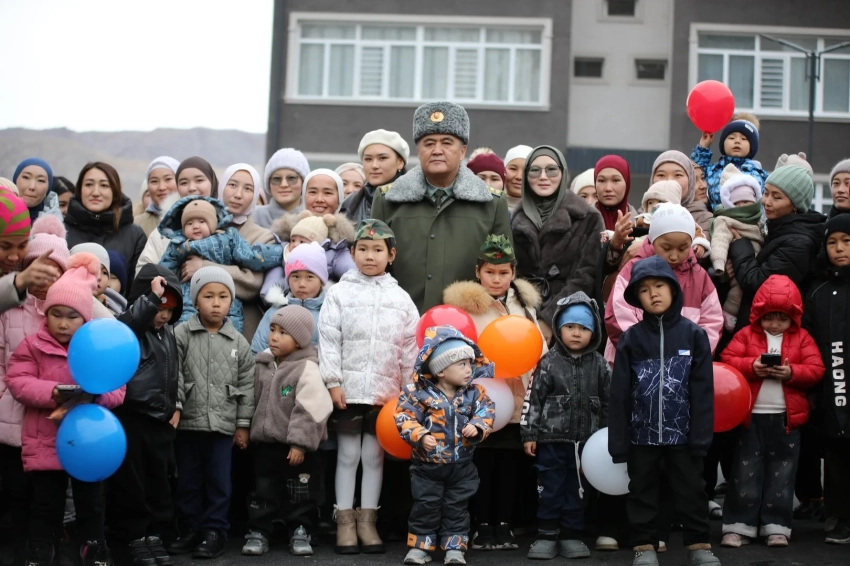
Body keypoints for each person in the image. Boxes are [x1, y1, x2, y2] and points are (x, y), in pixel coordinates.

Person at [6, 253, 126, 566]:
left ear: (85, 317)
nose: (62, 323)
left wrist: (96, 397)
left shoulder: (97, 346)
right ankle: (41, 551)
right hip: (45, 438)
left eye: (72, 316)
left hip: (90, 441)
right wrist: (53, 393)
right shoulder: (32, 345)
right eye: (55, 314)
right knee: (45, 504)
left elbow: (118, 387)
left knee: (91, 503)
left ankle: (94, 548)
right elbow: (18, 381)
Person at [0, 216, 100, 564]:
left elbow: (111, 373)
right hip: (17, 418)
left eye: (53, 271)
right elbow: (10, 368)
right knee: (23, 494)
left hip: (69, 426)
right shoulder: (12, 313)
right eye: (36, 269)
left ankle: (82, 546)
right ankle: (27, 549)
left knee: (74, 497)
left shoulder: (76, 317)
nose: (44, 279)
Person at [607, 256, 719, 566]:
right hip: (641, 436)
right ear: (636, 298)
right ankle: (644, 547)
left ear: (673, 289)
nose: (653, 294)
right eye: (643, 290)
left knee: (692, 491)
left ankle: (699, 545)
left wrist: (701, 437)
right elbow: (619, 394)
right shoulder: (631, 339)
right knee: (642, 492)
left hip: (683, 435)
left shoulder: (694, 335)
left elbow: (703, 391)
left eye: (659, 286)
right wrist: (619, 441)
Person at [317, 219, 419, 555]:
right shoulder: (339, 293)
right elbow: (328, 340)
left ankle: (368, 521)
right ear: (352, 252)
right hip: (348, 391)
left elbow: (410, 350)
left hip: (386, 395)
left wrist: (408, 392)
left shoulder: (401, 299)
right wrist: (333, 381)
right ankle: (345, 521)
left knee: (375, 456)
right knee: (348, 455)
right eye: (363, 249)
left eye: (377, 250)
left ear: (391, 255)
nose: (370, 256)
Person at [441, 234, 547, 551]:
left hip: (516, 399)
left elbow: (537, 348)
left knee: (510, 464)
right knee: (482, 463)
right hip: (481, 400)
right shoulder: (466, 309)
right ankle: (482, 523)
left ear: (513, 272)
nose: (497, 279)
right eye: (490, 272)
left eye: (503, 272)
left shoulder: (524, 307)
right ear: (478, 272)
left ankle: (504, 523)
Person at [371, 102, 512, 314]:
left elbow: (501, 270)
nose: (437, 151)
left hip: (468, 322)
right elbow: (373, 267)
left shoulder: (491, 203)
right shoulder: (388, 199)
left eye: (447, 143)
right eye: (429, 143)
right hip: (400, 320)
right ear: (418, 150)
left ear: (463, 151)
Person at [719, 275, 824, 548]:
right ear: (758, 315)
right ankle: (739, 525)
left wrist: (791, 373)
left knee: (783, 473)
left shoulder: (802, 337)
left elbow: (816, 370)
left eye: (782, 318)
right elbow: (727, 360)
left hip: (787, 419)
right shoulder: (746, 334)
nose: (775, 324)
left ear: (793, 317)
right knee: (745, 471)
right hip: (750, 416)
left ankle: (776, 526)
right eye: (769, 317)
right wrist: (751, 367)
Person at [167, 267, 255, 559]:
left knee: (219, 482)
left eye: (223, 297)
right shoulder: (182, 334)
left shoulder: (238, 342)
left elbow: (246, 385)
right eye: (208, 296)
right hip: (188, 424)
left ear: (231, 301)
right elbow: (174, 374)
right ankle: (189, 528)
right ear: (195, 300)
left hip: (222, 426)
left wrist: (242, 424)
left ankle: (214, 531)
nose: (216, 303)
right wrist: (176, 406)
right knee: (188, 480)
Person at [396, 326, 495, 566]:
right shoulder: (418, 394)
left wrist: (477, 426)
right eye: (461, 364)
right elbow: (404, 416)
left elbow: (487, 411)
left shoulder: (474, 393)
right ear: (440, 370)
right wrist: (420, 435)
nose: (468, 369)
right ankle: (420, 547)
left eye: (469, 364)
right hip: (426, 466)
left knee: (457, 508)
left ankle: (454, 548)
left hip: (461, 466)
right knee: (425, 505)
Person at [521, 292, 610, 561]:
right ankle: (546, 534)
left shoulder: (600, 365)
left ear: (594, 332)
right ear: (559, 328)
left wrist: (605, 438)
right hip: (552, 442)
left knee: (578, 489)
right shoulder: (548, 363)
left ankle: (572, 534)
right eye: (570, 326)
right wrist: (529, 433)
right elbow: (533, 399)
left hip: (587, 445)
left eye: (584, 328)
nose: (576, 333)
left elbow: (609, 403)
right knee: (550, 488)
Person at [242, 305, 333, 557]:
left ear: (300, 339)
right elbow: (251, 398)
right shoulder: (263, 363)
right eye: (272, 329)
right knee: (263, 490)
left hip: (296, 448)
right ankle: (260, 530)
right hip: (265, 444)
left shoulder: (307, 368)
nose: (274, 337)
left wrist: (299, 443)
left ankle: (301, 530)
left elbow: (312, 407)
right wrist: (245, 427)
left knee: (301, 492)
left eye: (283, 333)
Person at [109, 264, 183, 566]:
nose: (163, 315)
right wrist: (150, 300)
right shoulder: (130, 329)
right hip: (133, 416)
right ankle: (134, 536)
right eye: (158, 308)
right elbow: (128, 326)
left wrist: (175, 405)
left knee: (158, 481)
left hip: (160, 418)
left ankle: (154, 533)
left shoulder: (167, 334)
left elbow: (174, 373)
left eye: (169, 309)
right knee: (133, 483)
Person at [605, 203, 722, 363]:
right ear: (652, 240)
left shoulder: (698, 275)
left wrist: (693, 356)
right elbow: (617, 316)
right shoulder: (633, 269)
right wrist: (647, 353)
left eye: (682, 248)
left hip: (683, 366)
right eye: (666, 248)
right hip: (635, 365)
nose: (674, 256)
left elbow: (712, 321)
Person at [512, 145, 603, 339]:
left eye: (552, 170)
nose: (543, 177)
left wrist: (550, 319)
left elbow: (586, 275)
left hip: (570, 323)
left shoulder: (588, 217)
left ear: (563, 173)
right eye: (535, 170)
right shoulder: (514, 217)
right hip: (520, 320)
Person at [158, 196, 282, 332]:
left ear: (212, 223)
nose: (196, 226)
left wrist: (281, 251)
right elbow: (164, 269)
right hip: (190, 296)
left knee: (230, 328)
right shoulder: (179, 245)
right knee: (187, 328)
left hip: (225, 296)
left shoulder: (228, 238)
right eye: (189, 223)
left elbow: (251, 256)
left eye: (202, 221)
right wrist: (158, 285)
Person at [804, 214, 850, 544]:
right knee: (836, 451)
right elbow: (808, 338)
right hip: (831, 386)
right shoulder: (818, 290)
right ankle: (838, 514)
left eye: (846, 241)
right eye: (832, 242)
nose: (839, 248)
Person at [135, 156, 220, 275]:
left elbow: (244, 273)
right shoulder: (164, 231)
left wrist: (205, 267)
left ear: (212, 182)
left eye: (199, 180)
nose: (191, 188)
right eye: (184, 183)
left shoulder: (227, 225)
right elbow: (143, 272)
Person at [64, 162, 148, 279]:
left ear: (115, 191)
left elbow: (136, 285)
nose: (95, 193)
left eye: (104, 185)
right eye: (89, 184)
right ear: (79, 190)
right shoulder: (61, 232)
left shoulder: (135, 236)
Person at [709, 165, 764, 332]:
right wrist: (719, 263)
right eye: (736, 203)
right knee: (737, 290)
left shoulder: (760, 221)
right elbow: (719, 240)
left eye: (745, 202)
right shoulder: (726, 220)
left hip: (756, 266)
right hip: (735, 267)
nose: (741, 206)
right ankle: (728, 314)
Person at [252, 241, 327, 354]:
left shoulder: (329, 313)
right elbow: (257, 352)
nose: (301, 284)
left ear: (321, 281)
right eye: (295, 276)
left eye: (309, 277)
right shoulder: (275, 312)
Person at [264, 207, 356, 296]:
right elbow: (274, 276)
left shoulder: (332, 253)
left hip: (321, 297)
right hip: (289, 295)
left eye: (302, 242)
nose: (295, 244)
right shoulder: (285, 252)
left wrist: (343, 293)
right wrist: (271, 293)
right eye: (293, 240)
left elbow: (351, 271)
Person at [0, 191, 61, 316]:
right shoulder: (22, 277)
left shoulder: (26, 265)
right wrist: (18, 282)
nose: (14, 256)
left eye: (22, 245)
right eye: (5, 246)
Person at [691, 114, 769, 211]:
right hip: (717, 218)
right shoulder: (713, 170)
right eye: (732, 138)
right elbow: (695, 171)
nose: (737, 141)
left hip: (749, 219)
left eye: (744, 139)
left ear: (752, 146)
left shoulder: (759, 174)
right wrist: (703, 147)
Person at [340, 130, 410, 225]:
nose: (374, 165)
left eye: (382, 158)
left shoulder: (417, 200)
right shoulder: (349, 202)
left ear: (400, 162)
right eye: (368, 159)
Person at [651, 151, 713, 234]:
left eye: (678, 175)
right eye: (661, 175)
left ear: (690, 181)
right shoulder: (640, 216)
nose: (669, 181)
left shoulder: (705, 219)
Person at [255, 148, 310, 228]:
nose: (284, 185)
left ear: (304, 183)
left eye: (291, 178)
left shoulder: (314, 220)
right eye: (276, 179)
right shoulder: (253, 217)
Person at [69, 243, 121, 319]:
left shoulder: (114, 308)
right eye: (91, 269)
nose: (99, 277)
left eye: (104, 272)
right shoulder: (63, 304)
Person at [135, 157, 181, 237]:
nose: (161, 187)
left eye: (168, 179)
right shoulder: (137, 224)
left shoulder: (196, 217)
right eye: (154, 181)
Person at [503, 145, 532, 211]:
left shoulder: (544, 212)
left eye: (526, 171)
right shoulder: (491, 206)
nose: (519, 177)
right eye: (513, 169)